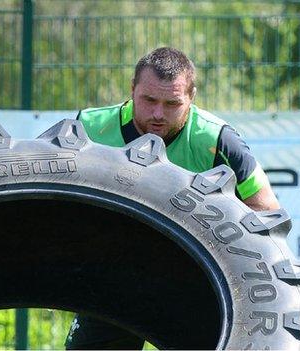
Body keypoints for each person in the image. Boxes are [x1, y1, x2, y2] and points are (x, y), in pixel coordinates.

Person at [65, 47, 280, 349]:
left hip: (191, 284)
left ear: (191, 98)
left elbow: (266, 211)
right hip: (111, 279)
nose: (157, 114)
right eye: (149, 100)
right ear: (132, 90)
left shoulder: (217, 140)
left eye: (172, 104)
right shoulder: (89, 128)